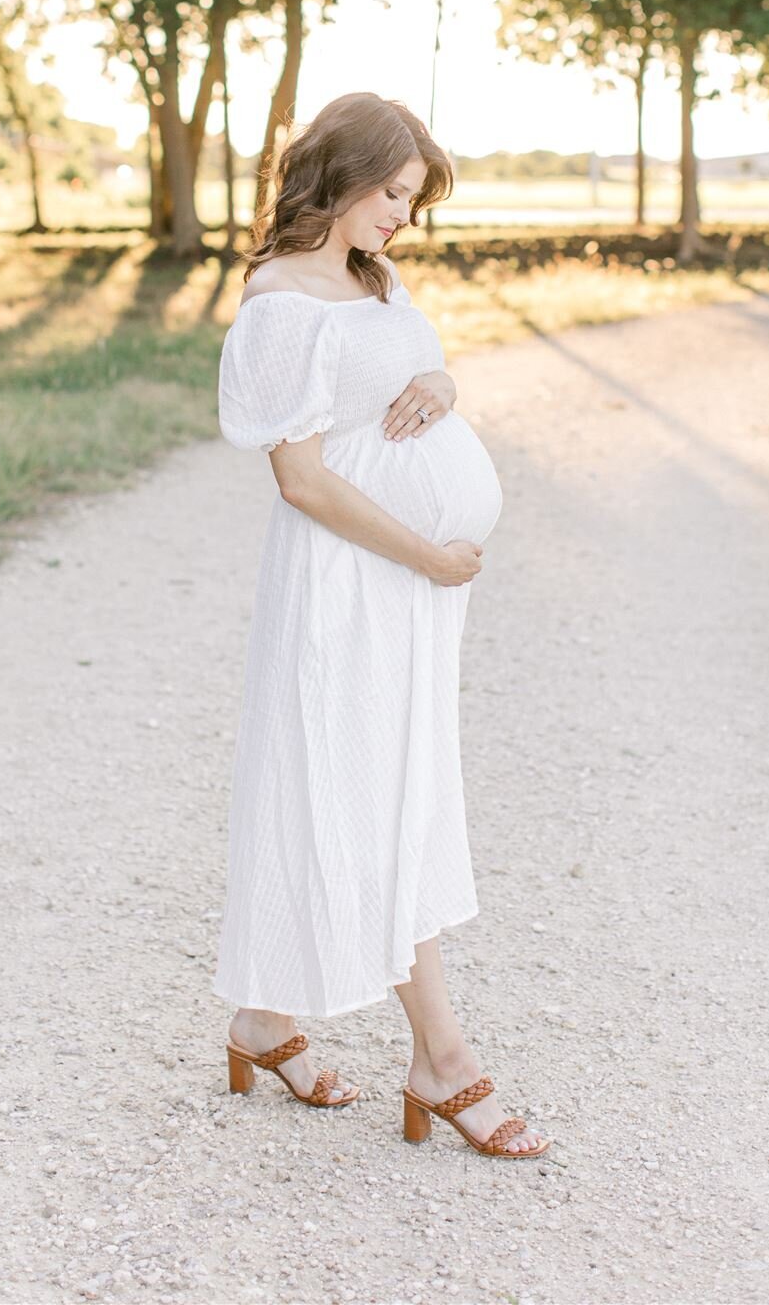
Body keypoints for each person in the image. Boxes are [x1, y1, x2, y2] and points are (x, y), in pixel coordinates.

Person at [213, 92, 550, 1160]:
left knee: (390, 784)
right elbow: (302, 482)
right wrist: (430, 553)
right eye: (393, 192)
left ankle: (264, 1021)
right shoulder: (276, 305)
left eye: (413, 199)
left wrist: (442, 381)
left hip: (408, 589)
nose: (404, 215)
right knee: (368, 792)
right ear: (342, 172)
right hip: (349, 585)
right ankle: (442, 1058)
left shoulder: (375, 274)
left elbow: (406, 371)